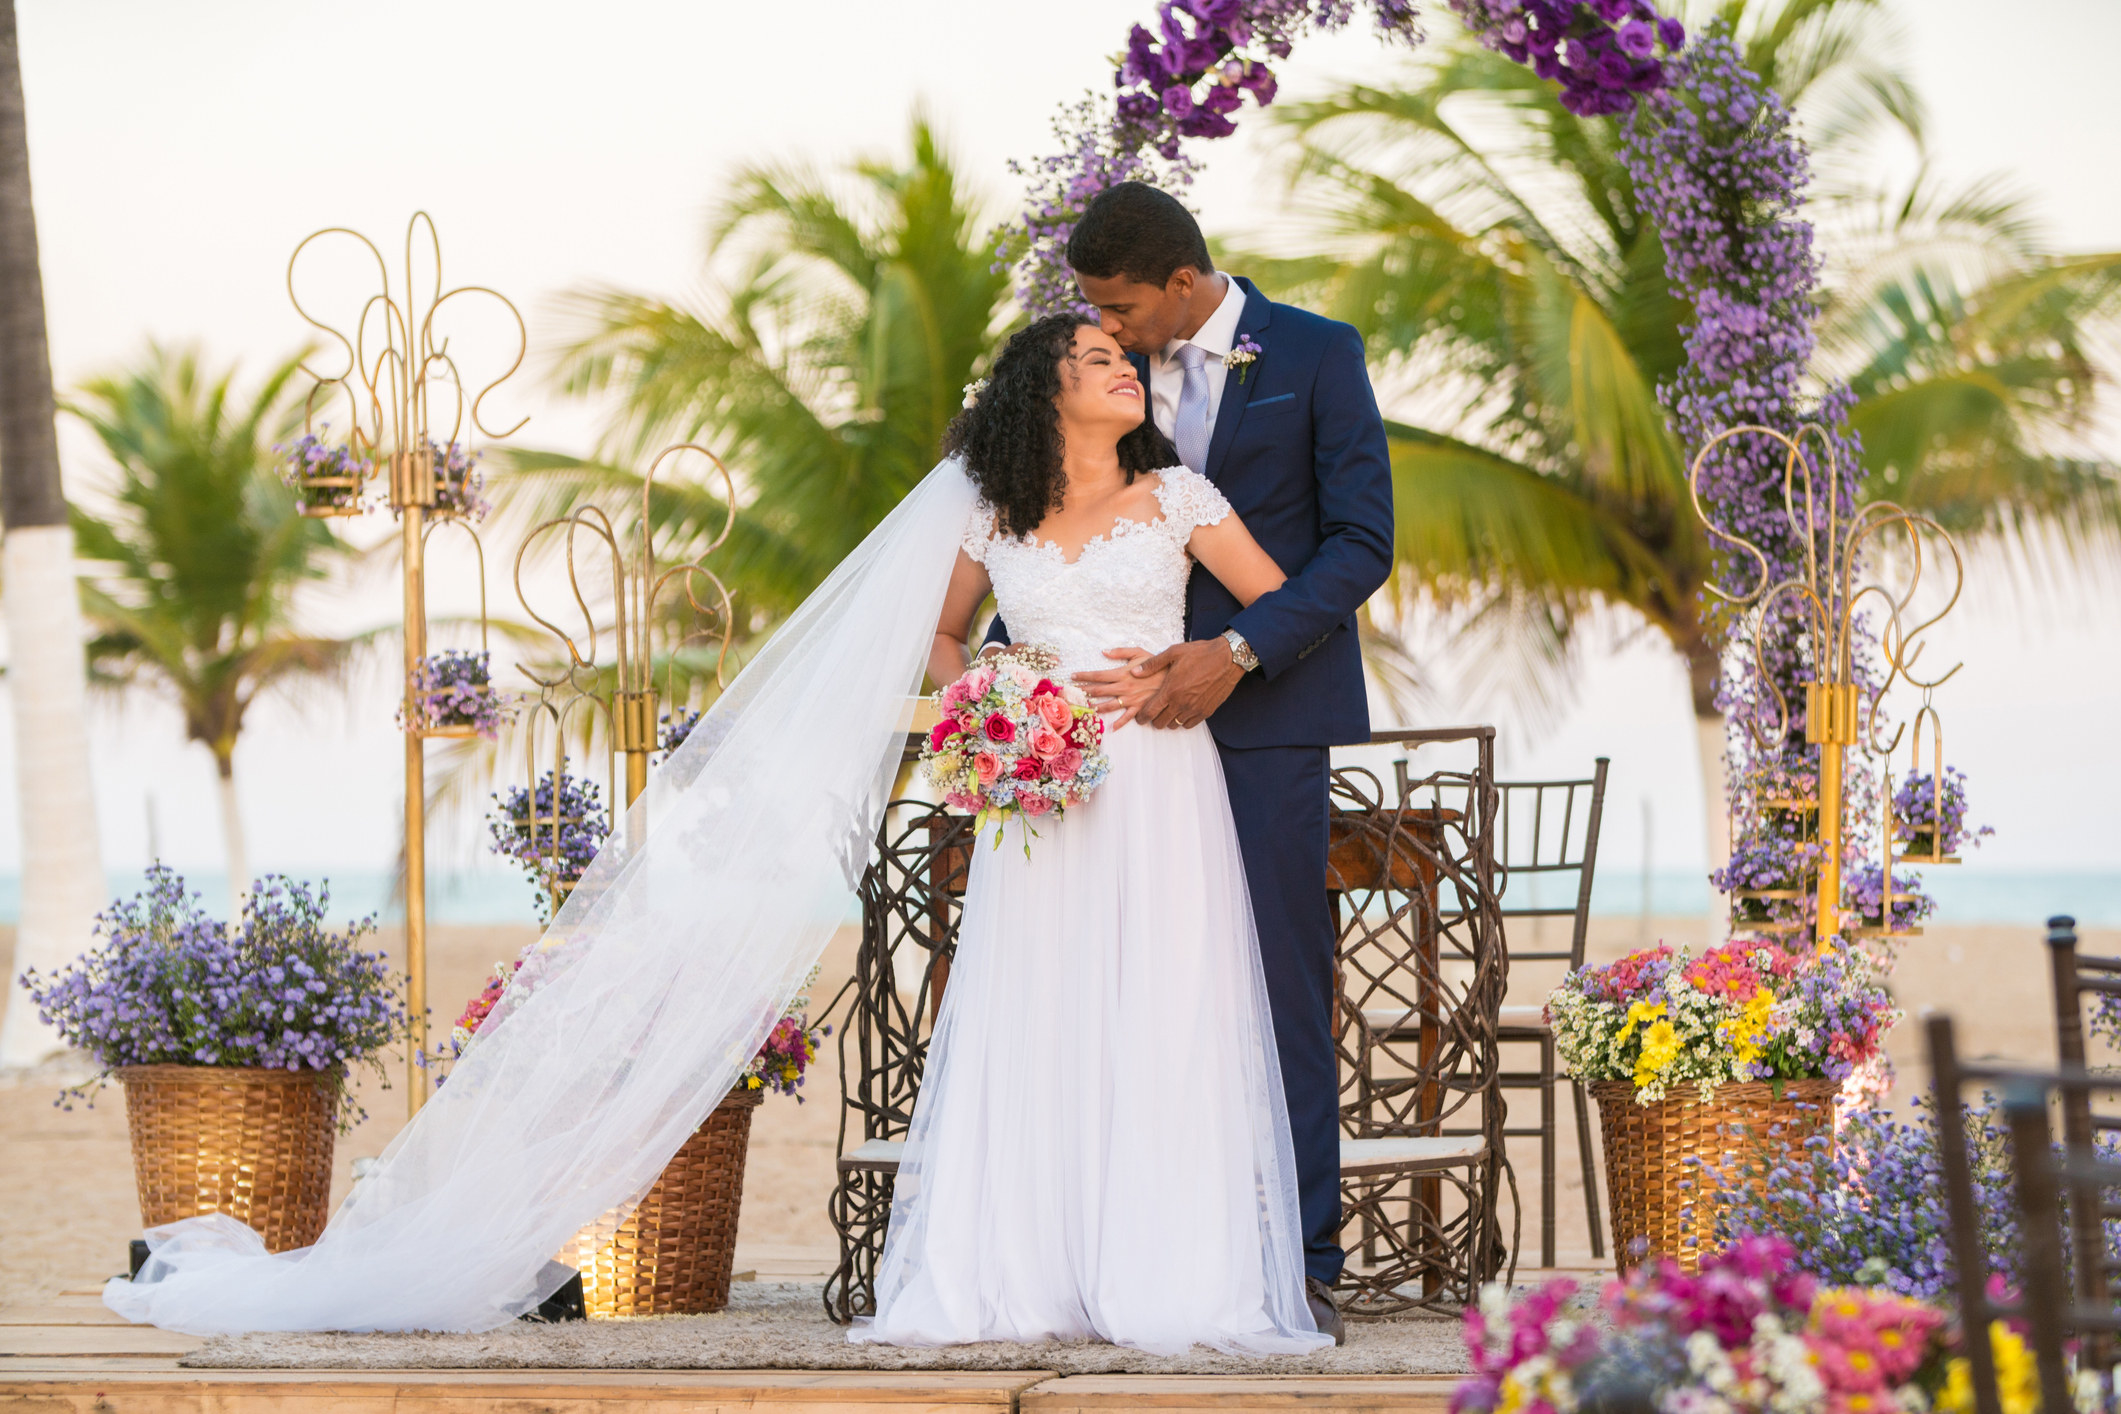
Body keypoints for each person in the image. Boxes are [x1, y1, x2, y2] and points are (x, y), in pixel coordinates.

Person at [851, 314, 1326, 1355]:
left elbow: (1279, 606)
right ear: (1044, 387)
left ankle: (1164, 1270)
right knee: (1042, 1004)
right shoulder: (993, 514)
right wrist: (992, 696)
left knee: (1163, 1002)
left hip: (1157, 773)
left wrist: (1191, 662)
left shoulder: (1178, 497)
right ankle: (1033, 1267)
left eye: (1128, 361)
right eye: (1101, 360)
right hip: (1041, 791)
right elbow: (937, 636)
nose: (1126, 373)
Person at [984, 182, 1396, 1340]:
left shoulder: (1317, 354)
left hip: (1263, 714)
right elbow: (1059, 533)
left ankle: (1298, 1254)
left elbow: (1363, 539)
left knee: (1272, 984)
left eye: (1119, 304)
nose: (1105, 327)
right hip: (1107, 737)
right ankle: (1102, 1241)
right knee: (1100, 991)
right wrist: (1025, 690)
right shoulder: (1108, 379)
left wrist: (1235, 651)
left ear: (1180, 280)